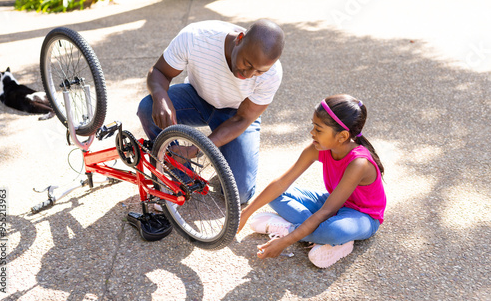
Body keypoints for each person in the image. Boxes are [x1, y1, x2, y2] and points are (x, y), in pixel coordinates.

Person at [137, 19, 285, 204]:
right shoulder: (196, 37)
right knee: (147, 107)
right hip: (196, 98)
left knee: (239, 194)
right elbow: (160, 71)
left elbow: (242, 119)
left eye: (258, 71)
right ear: (239, 39)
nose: (248, 74)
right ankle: (181, 174)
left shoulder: (272, 74)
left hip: (235, 114)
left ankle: (225, 152)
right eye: (247, 64)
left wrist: (194, 149)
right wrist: (160, 96)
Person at [237, 94, 386, 268]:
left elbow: (326, 212)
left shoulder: (359, 163)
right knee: (276, 194)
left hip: (363, 215)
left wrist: (286, 241)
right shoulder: (318, 147)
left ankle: (293, 229)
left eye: (319, 129)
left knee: (333, 230)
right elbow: (281, 183)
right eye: (313, 126)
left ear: (342, 136)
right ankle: (318, 238)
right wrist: (246, 213)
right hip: (332, 202)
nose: (312, 133)